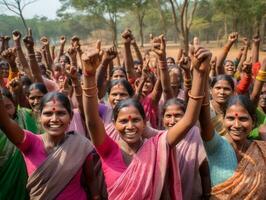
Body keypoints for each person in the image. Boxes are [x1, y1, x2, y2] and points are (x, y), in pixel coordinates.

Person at [81, 34, 211, 199]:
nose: (130, 126)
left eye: (135, 120)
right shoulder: (108, 150)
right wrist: (88, 75)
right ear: (114, 123)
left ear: (145, 123)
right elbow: (92, 122)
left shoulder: (157, 145)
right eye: (123, 121)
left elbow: (188, 120)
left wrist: (199, 74)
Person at [0, 91, 98, 199]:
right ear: (39, 117)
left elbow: (91, 180)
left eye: (61, 113)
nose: (54, 119)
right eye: (48, 113)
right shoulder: (30, 143)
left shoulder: (80, 145)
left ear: (70, 116)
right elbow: (5, 123)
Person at [200, 77, 266, 198]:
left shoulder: (262, 150)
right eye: (231, 118)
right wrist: (201, 74)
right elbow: (203, 115)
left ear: (254, 121)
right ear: (223, 119)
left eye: (243, 119)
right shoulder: (216, 146)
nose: (236, 125)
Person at [162, 98, 211, 200]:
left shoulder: (194, 135)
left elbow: (204, 171)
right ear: (162, 119)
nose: (172, 121)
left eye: (177, 115)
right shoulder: (159, 140)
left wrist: (207, 196)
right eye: (168, 116)